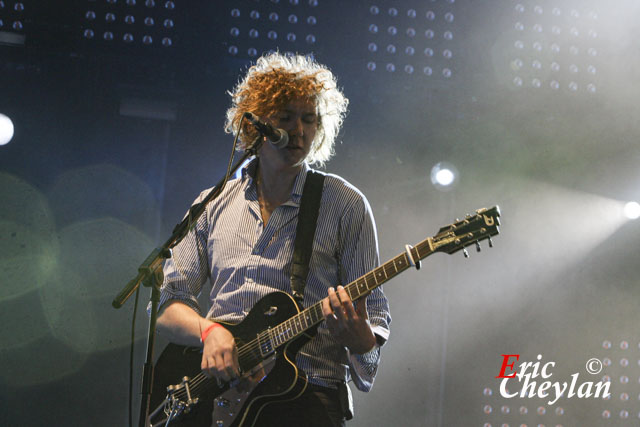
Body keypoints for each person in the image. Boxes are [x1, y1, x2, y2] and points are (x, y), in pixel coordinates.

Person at [156, 52, 391, 426]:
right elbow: (168, 306)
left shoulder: (345, 205)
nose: (298, 130)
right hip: (212, 394)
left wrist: (359, 337)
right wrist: (210, 331)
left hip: (306, 398)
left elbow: (374, 320)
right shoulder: (212, 203)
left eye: (309, 119)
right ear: (254, 125)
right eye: (285, 118)